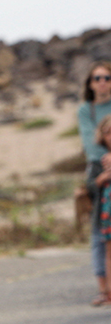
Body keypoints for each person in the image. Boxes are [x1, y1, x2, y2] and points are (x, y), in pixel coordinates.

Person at [77, 61, 111, 306]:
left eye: (107, 78)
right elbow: (91, 143)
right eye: (97, 78)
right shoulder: (86, 110)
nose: (102, 82)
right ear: (90, 83)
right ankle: (104, 288)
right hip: (99, 167)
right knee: (101, 230)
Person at [93, 114, 111, 306]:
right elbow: (91, 185)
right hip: (108, 210)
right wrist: (103, 177)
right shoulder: (100, 160)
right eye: (108, 133)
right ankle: (108, 293)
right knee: (109, 251)